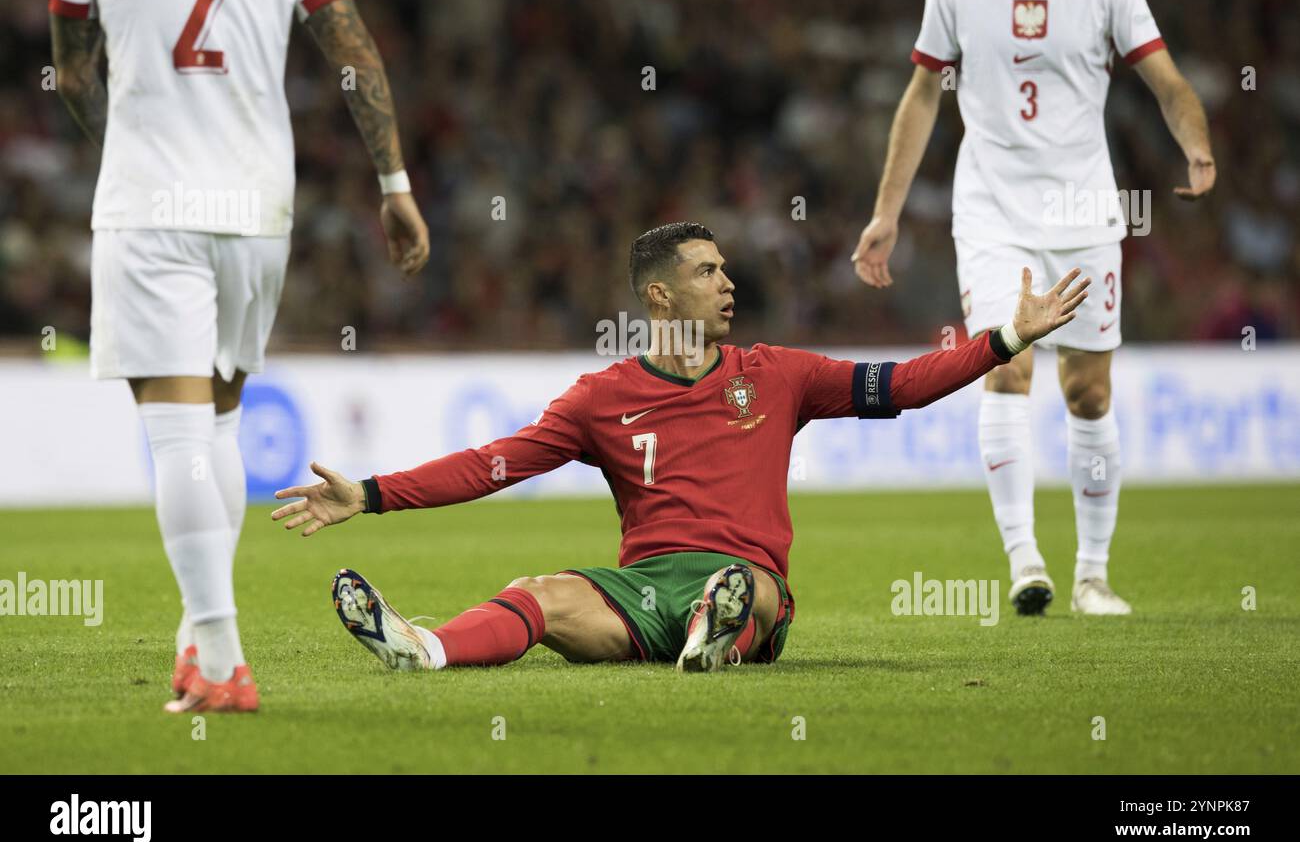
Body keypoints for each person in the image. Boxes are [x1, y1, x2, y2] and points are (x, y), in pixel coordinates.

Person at [272, 222, 1089, 673]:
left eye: (726, 269)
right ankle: (427, 648)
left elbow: (904, 383)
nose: (728, 283)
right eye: (707, 272)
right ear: (661, 294)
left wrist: (1009, 336)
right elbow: (494, 464)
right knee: (540, 591)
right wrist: (371, 493)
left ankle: (720, 629)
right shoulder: (602, 400)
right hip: (644, 594)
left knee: (750, 588)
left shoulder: (780, 375)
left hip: (751, 583)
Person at [49, 0, 431, 712]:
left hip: (153, 203)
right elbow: (352, 50)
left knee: (177, 431)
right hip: (257, 206)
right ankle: (199, 638)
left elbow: (75, 74)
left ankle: (222, 663)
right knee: (218, 422)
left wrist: (129, 149)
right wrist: (394, 185)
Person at [850, 0, 1215, 615]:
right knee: (1006, 363)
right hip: (992, 209)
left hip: (1084, 213)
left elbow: (1166, 80)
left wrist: (1196, 144)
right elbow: (924, 92)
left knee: (1089, 393)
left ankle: (1094, 577)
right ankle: (1025, 563)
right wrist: (887, 212)